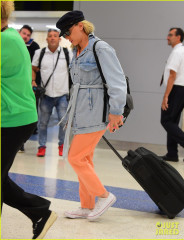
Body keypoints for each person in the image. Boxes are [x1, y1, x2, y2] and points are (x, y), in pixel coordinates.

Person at [56, 10, 127, 221]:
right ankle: (87, 206)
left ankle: (104, 196)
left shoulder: (100, 48)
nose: (66, 37)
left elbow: (117, 82)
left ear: (80, 26)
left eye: (68, 31)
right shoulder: (77, 51)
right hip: (80, 113)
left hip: (96, 113)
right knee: (85, 158)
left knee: (75, 157)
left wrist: (116, 112)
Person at [1, 2, 57, 239]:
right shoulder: (10, 36)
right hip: (11, 117)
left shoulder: (7, 41)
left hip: (13, 119)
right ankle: (40, 212)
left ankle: (40, 211)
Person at [32, 29, 72, 157]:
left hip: (62, 95)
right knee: (42, 123)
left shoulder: (67, 53)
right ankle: (42, 146)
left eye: (55, 36)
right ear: (47, 39)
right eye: (50, 36)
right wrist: (33, 80)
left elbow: (73, 70)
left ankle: (61, 145)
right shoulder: (40, 53)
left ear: (60, 39)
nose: (53, 38)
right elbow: (34, 68)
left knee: (63, 122)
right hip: (46, 95)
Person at [160, 28, 184, 162]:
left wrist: (166, 96)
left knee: (166, 120)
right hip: (182, 89)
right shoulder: (181, 51)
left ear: (178, 37)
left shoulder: (177, 52)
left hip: (176, 89)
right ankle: (172, 154)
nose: (167, 37)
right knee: (172, 121)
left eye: (170, 35)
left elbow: (172, 74)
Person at [18, 25, 40, 153]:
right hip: (14, 85)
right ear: (19, 32)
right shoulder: (11, 43)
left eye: (28, 35)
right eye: (24, 33)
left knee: (27, 114)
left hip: (28, 86)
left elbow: (34, 68)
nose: (25, 36)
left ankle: (21, 142)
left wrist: (33, 82)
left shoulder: (34, 47)